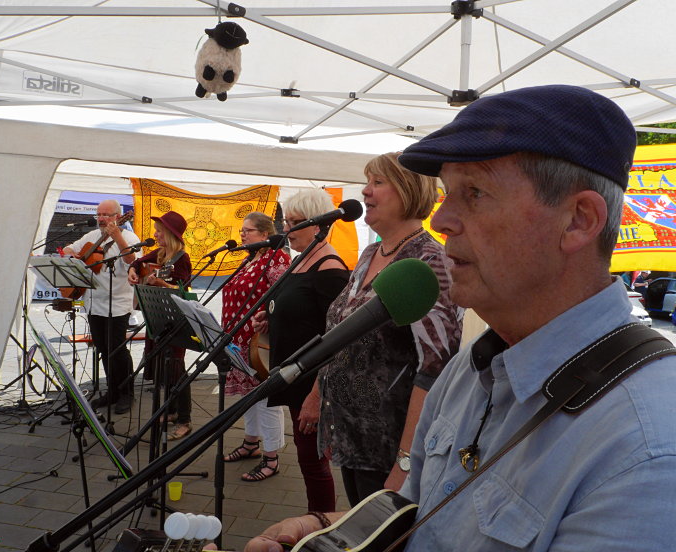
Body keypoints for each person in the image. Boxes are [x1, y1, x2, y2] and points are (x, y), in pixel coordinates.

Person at [243, 85, 676, 552]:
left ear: (577, 220)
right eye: (448, 193)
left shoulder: (647, 450)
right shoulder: (470, 368)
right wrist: (330, 530)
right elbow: (421, 517)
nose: (443, 219)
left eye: (474, 192)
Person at [299, 152, 463, 507]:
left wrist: (406, 462)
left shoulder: (429, 262)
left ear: (408, 190)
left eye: (377, 183)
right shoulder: (368, 255)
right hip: (349, 434)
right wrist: (317, 394)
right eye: (367, 181)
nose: (365, 191)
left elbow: (435, 369)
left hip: (389, 447)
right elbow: (339, 336)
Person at [252, 189, 350, 510]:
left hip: (312, 384)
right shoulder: (303, 258)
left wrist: (317, 397)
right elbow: (301, 307)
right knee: (307, 457)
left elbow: (336, 339)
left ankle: (318, 525)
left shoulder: (330, 268)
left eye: (295, 223)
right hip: (295, 377)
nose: (287, 230)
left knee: (313, 462)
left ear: (319, 225)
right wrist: (271, 314)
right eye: (286, 222)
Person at [221, 211, 291, 481]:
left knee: (266, 398)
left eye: (248, 230)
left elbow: (283, 300)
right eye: (242, 230)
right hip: (239, 340)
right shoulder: (251, 258)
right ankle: (251, 442)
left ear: (265, 234)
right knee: (249, 395)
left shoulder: (277, 260)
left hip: (259, 342)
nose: (242, 235)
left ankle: (271, 457)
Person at [63, 199, 140, 415]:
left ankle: (127, 393)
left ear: (118, 216)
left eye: (107, 214)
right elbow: (71, 248)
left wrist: (117, 237)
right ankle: (113, 391)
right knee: (102, 348)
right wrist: (72, 255)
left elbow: (133, 262)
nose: (102, 218)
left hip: (117, 303)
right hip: (93, 302)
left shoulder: (129, 237)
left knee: (117, 349)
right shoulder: (92, 236)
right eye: (99, 214)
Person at [128, 211, 194, 440]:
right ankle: (173, 410)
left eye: (159, 231)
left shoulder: (181, 259)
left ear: (171, 234)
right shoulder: (160, 253)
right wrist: (133, 271)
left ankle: (185, 419)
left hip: (175, 321)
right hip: (158, 317)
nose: (155, 234)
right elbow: (138, 261)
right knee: (164, 368)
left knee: (177, 369)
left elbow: (184, 291)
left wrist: (162, 283)